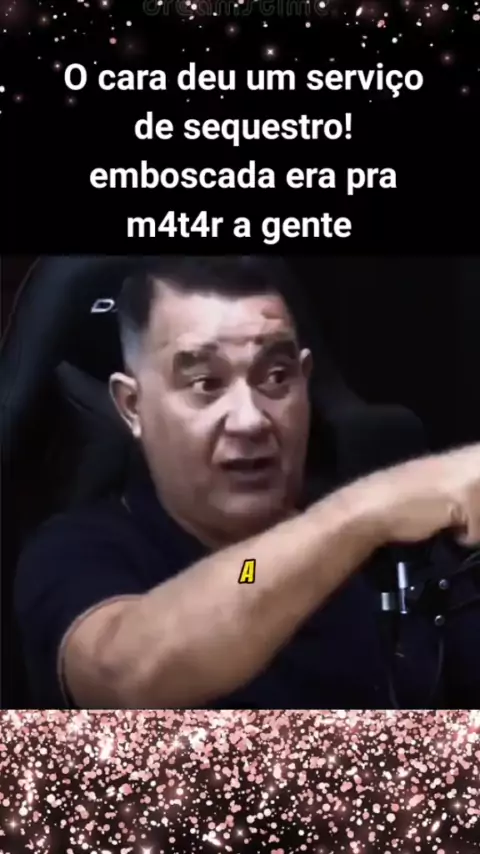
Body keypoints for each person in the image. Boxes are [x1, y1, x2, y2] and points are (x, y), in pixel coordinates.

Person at [14, 256, 480, 709]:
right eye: (206, 383)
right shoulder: (79, 552)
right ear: (133, 406)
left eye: (276, 377)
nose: (250, 419)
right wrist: (365, 511)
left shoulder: (393, 554)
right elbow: (124, 676)